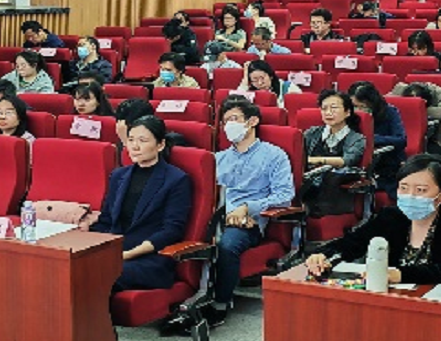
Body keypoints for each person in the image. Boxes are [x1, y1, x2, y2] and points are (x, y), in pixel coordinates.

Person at [194, 97, 296, 327]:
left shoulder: (274, 155)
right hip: (215, 216)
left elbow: (284, 195)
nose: (229, 125)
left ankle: (220, 303)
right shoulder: (218, 158)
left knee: (227, 245)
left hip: (250, 221)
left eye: (234, 119)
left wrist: (248, 208)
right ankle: (188, 300)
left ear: (252, 121)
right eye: (225, 121)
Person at [305, 154, 441, 285]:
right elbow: (354, 242)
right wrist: (323, 254)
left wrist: (401, 274)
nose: (410, 196)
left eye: (420, 190)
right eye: (403, 188)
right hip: (392, 299)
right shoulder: (391, 216)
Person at [90, 116, 192, 292]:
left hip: (150, 257)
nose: (134, 146)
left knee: (100, 272)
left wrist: (126, 255)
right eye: (130, 140)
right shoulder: (118, 176)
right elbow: (105, 220)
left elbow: (171, 231)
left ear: (160, 145)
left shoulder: (176, 180)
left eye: (142, 141)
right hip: (116, 250)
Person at [350, 82, 406, 194]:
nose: (359, 111)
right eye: (355, 106)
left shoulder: (389, 112)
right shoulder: (348, 114)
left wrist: (372, 139)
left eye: (363, 106)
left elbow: (401, 140)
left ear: (373, 104)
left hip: (386, 161)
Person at [304, 90, 365, 169]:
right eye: (324, 109)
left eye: (334, 108)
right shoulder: (312, 132)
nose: (328, 113)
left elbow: (347, 161)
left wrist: (314, 160)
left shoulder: (357, 139)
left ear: (347, 112)